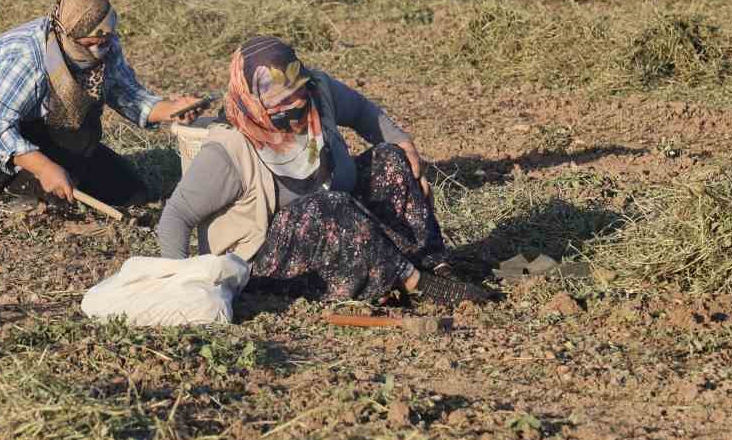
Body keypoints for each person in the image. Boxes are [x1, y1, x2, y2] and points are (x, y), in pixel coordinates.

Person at [156, 35, 490, 307]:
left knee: (389, 159)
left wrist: (404, 145)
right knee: (327, 206)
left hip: (338, 226)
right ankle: (416, 282)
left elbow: (362, 111)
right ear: (253, 101)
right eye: (280, 104)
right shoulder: (228, 151)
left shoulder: (318, 92)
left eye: (297, 94)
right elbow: (177, 215)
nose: (295, 106)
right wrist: (182, 289)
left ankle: (432, 264)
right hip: (265, 268)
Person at [0, 0, 205, 209]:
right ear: (69, 34)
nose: (100, 50)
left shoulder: (105, 43)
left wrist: (171, 109)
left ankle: (55, 171)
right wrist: (44, 168)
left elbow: (127, 94)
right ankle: (17, 183)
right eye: (92, 44)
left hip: (36, 125)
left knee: (132, 193)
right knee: (62, 198)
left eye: (104, 42)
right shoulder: (26, 56)